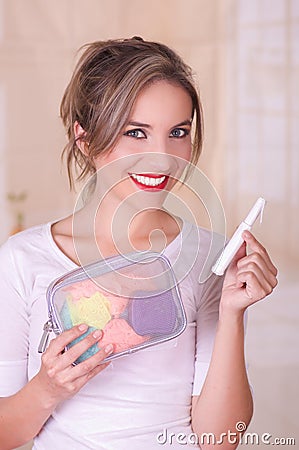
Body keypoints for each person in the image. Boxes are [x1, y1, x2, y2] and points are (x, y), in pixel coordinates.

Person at [0, 37, 277, 450]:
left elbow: (218, 440)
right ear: (85, 139)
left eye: (177, 132)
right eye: (136, 132)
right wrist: (47, 388)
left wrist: (232, 312)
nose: (162, 157)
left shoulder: (211, 261)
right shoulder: (23, 260)